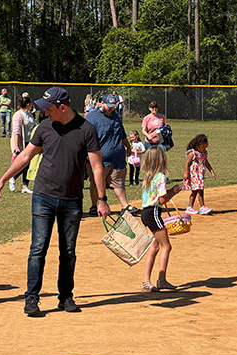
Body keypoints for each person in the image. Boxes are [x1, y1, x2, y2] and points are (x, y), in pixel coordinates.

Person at [0, 87, 110, 316]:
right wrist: (3, 179)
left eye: (49, 108)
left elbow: (97, 166)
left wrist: (102, 199)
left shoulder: (86, 129)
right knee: (38, 248)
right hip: (43, 197)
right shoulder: (45, 126)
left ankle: (65, 298)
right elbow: (25, 156)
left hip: (72, 200)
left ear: (62, 107)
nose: (44, 112)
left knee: (68, 251)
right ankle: (32, 298)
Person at [85, 94, 138, 216]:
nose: (111, 109)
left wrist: (128, 147)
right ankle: (94, 206)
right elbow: (84, 138)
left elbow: (122, 134)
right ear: (101, 103)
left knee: (118, 182)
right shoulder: (92, 117)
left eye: (114, 106)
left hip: (117, 157)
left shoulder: (117, 116)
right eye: (109, 106)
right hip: (99, 158)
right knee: (96, 182)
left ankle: (125, 206)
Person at [140, 147, 183, 292]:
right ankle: (161, 280)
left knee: (154, 246)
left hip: (145, 213)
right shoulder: (160, 177)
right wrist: (174, 191)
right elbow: (163, 199)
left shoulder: (148, 176)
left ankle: (146, 281)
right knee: (166, 246)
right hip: (153, 213)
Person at [182, 134, 217, 215]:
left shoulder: (203, 153)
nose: (204, 149)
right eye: (202, 147)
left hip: (200, 175)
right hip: (194, 175)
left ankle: (190, 207)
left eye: (205, 147)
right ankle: (202, 207)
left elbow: (206, 162)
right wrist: (186, 173)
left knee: (195, 191)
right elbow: (187, 163)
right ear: (197, 145)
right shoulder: (193, 153)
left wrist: (211, 171)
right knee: (200, 190)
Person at [9, 95, 35, 193]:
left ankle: (25, 186)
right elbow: (16, 131)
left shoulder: (30, 114)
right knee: (22, 164)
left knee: (29, 164)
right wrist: (16, 146)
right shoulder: (18, 115)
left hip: (30, 142)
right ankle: (13, 177)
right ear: (28, 105)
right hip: (21, 143)